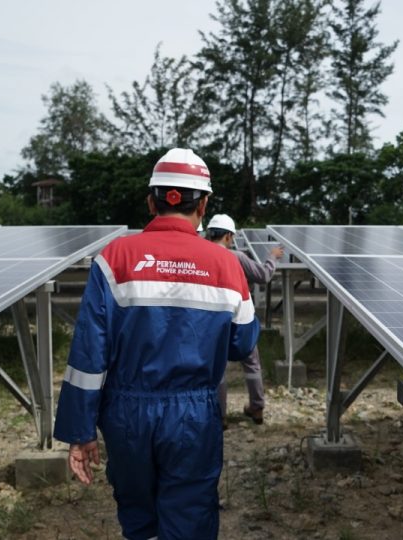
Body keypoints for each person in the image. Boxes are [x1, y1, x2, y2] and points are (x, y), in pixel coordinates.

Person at [53, 148, 260, 540]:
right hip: (194, 416)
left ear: (152, 201)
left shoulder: (113, 259)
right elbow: (243, 342)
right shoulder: (226, 265)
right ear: (204, 205)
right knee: (190, 515)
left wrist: (80, 431)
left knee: (138, 515)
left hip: (126, 415)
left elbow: (88, 355)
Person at [206, 214, 283, 426]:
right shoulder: (237, 257)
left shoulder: (201, 256)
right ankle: (257, 408)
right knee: (252, 364)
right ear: (229, 237)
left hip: (214, 320)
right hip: (241, 318)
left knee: (218, 367)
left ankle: (219, 415)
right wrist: (272, 257)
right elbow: (264, 276)